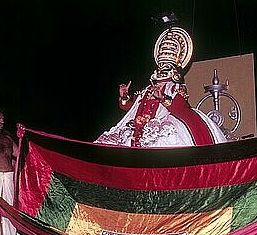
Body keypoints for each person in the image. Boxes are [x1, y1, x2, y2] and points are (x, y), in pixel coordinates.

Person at [96, 26, 228, 147]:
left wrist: (162, 97)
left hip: (159, 125)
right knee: (120, 139)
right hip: (137, 127)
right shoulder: (146, 90)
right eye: (160, 67)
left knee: (163, 140)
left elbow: (181, 108)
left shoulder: (175, 88)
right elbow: (130, 107)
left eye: (166, 68)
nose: (161, 72)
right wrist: (124, 96)